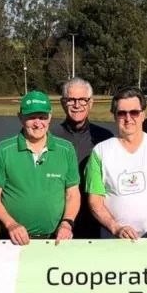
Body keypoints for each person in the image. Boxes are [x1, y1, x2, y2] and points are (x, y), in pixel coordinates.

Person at [0, 91, 80, 244]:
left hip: (55, 239)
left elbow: (72, 194)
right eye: (31, 117)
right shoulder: (4, 150)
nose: (37, 123)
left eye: (42, 117)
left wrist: (67, 223)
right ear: (20, 117)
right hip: (12, 239)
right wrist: (11, 224)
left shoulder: (66, 149)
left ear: (50, 117)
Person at [86, 87, 147, 240]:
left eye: (134, 112)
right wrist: (116, 228)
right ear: (115, 116)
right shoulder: (100, 151)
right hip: (114, 240)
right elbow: (95, 200)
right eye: (122, 113)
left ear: (143, 114)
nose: (128, 118)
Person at [55, 77, 113, 239]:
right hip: (60, 220)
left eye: (82, 100)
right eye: (71, 100)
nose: (77, 105)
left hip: (95, 219)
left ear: (91, 102)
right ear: (62, 103)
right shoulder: (50, 137)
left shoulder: (104, 137)